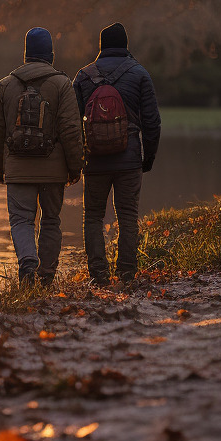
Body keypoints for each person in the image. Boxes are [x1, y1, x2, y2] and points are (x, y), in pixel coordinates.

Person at [0, 26, 84, 286]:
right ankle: (46, 277)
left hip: (17, 168)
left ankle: (28, 264)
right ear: (50, 54)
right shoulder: (62, 84)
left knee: (21, 220)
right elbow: (72, 129)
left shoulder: (5, 85)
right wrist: (75, 168)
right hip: (54, 170)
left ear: (26, 53)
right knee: (51, 221)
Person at [73, 22, 161, 287]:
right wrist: (148, 157)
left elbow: (71, 123)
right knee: (127, 216)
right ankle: (126, 274)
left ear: (101, 46)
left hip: (95, 160)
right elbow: (152, 122)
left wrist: (77, 160)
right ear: (125, 45)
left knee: (93, 217)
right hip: (130, 159)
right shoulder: (139, 73)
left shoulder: (83, 76)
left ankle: (98, 276)